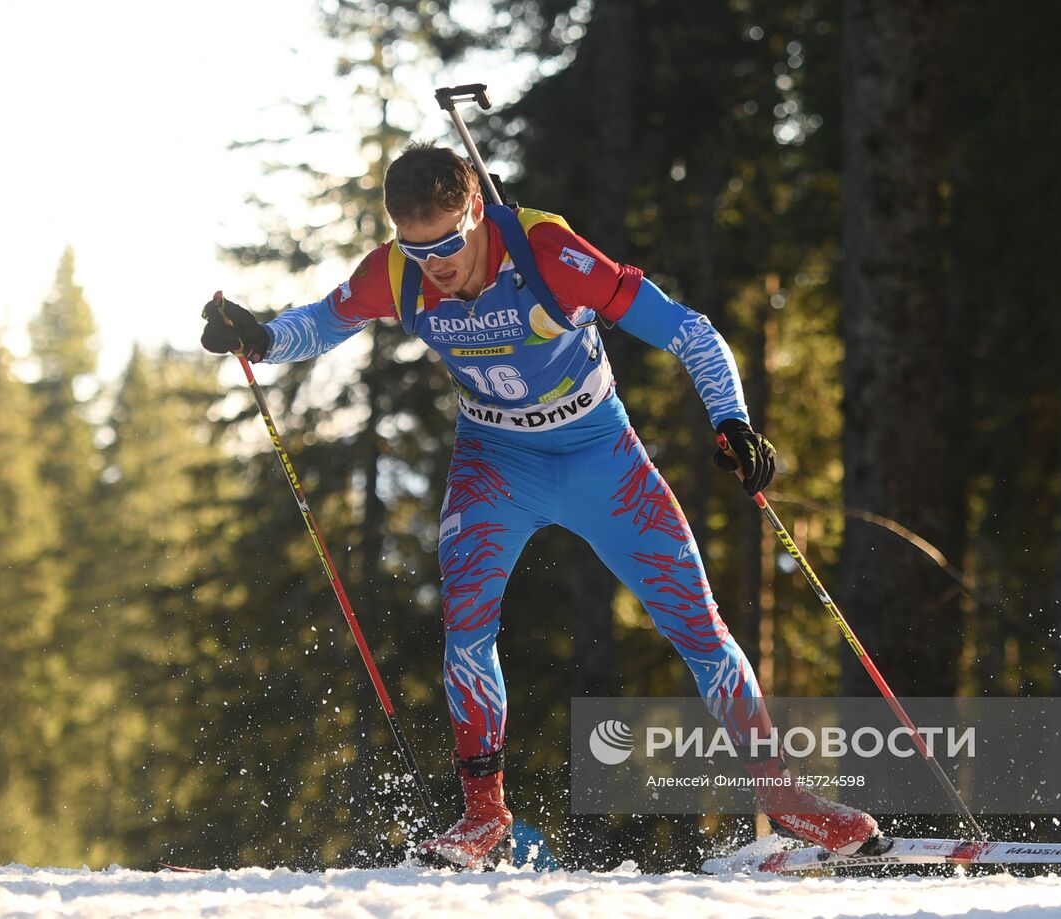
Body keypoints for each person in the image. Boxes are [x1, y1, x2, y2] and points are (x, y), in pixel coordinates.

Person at [201, 143, 879, 869]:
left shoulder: (547, 251)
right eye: (416, 245)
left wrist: (733, 419)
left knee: (698, 627)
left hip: (601, 457)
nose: (436, 263)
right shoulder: (398, 273)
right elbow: (323, 320)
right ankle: (483, 817)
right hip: (495, 464)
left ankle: (788, 800)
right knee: (465, 629)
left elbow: (689, 331)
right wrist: (262, 338)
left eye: (450, 243)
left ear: (476, 213)